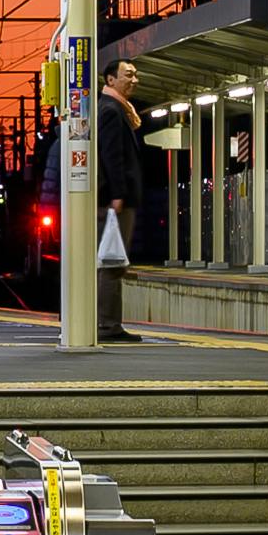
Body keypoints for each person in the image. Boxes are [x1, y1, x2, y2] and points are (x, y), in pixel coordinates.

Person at [96, 58, 144, 343]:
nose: (134, 79)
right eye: (128, 75)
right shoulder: (112, 111)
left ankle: (102, 321)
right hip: (115, 201)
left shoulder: (112, 108)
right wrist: (118, 194)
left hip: (112, 197)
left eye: (136, 75)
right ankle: (108, 324)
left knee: (108, 259)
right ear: (110, 79)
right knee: (112, 261)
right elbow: (112, 155)